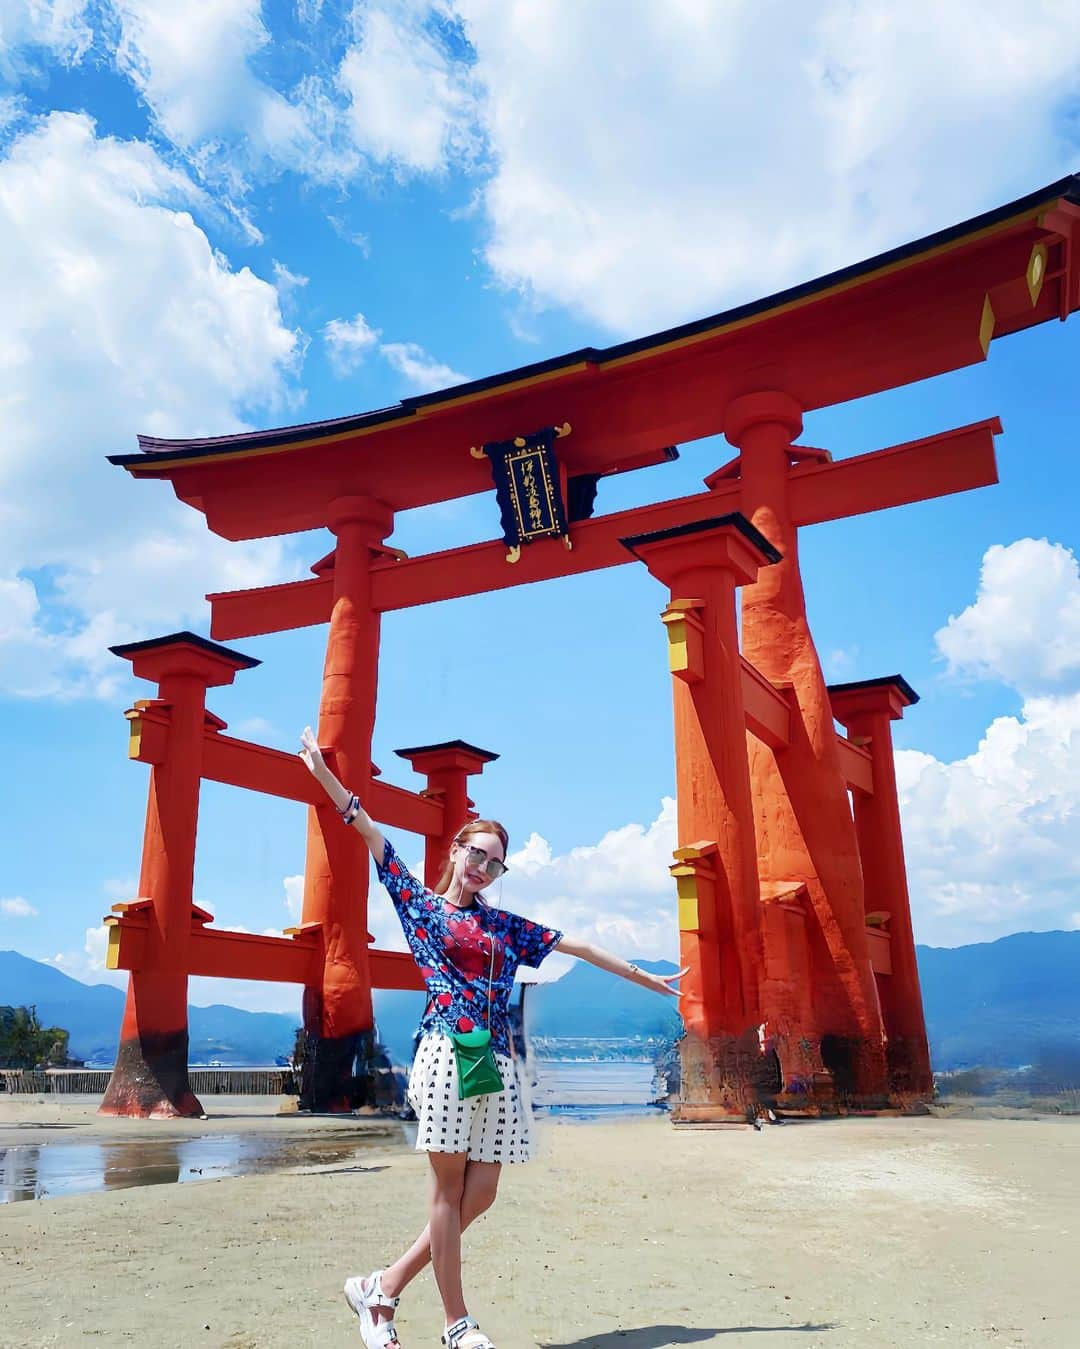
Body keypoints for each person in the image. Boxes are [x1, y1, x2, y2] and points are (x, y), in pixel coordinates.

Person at [299, 727, 685, 1349]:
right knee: (447, 1192)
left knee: (480, 1194)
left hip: (496, 1062)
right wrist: (324, 775)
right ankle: (456, 1324)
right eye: (474, 853)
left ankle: (382, 1289)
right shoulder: (423, 907)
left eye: (494, 861)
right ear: (454, 851)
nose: (482, 867)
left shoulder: (504, 926)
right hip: (448, 1050)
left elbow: (577, 944)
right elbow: (370, 832)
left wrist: (648, 979)